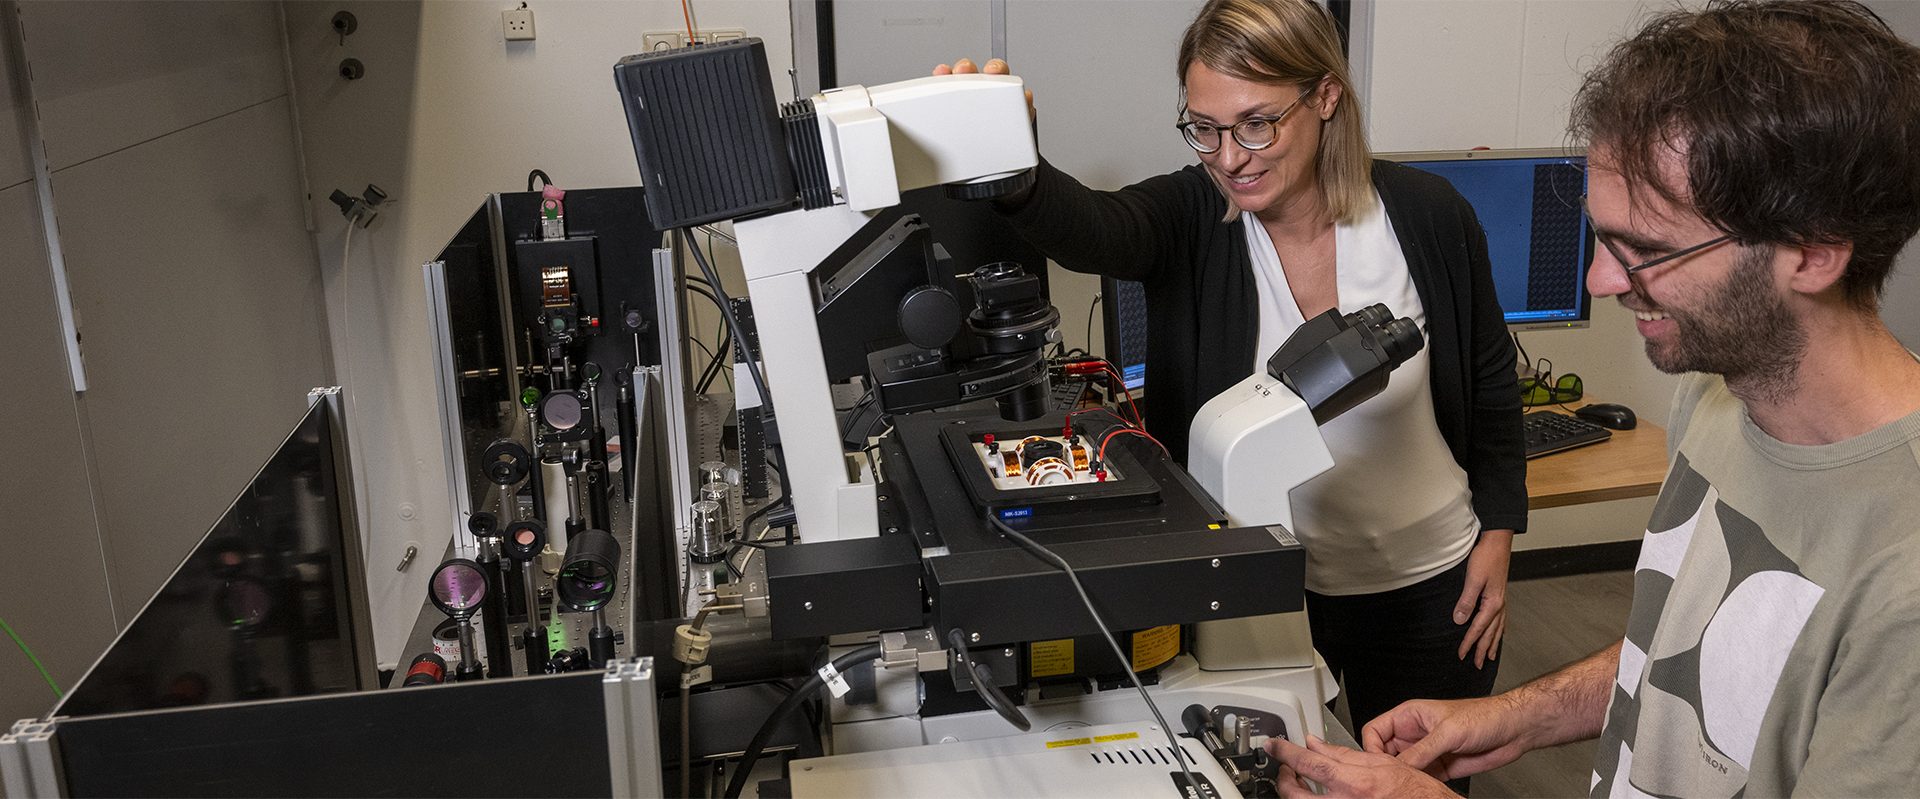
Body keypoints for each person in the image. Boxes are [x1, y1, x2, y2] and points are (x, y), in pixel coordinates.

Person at [1266, 2, 1920, 797]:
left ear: (1812, 254)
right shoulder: (1716, 400)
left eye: (1646, 249)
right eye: (1605, 236)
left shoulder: (1903, 576)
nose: (1601, 279)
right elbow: (1684, 648)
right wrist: (1514, 716)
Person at [937, 0, 1527, 759]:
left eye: (1256, 124)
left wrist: (1498, 534)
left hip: (1431, 586)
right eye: (1205, 128)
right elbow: (1094, 228)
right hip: (1260, 594)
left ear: (1325, 96)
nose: (1230, 157)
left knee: (1422, 783)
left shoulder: (1427, 213)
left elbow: (1489, 378)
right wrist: (1014, 170)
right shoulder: (1192, 216)